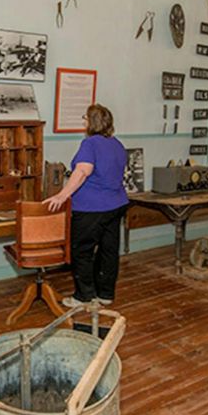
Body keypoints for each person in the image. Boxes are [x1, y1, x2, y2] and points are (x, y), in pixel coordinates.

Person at [43, 104, 128, 307]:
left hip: (91, 208)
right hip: (116, 204)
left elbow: (82, 172)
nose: (83, 122)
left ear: (92, 122)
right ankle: (105, 294)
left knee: (82, 251)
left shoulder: (90, 144)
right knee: (108, 250)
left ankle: (84, 296)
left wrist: (61, 196)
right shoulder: (117, 144)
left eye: (85, 118)